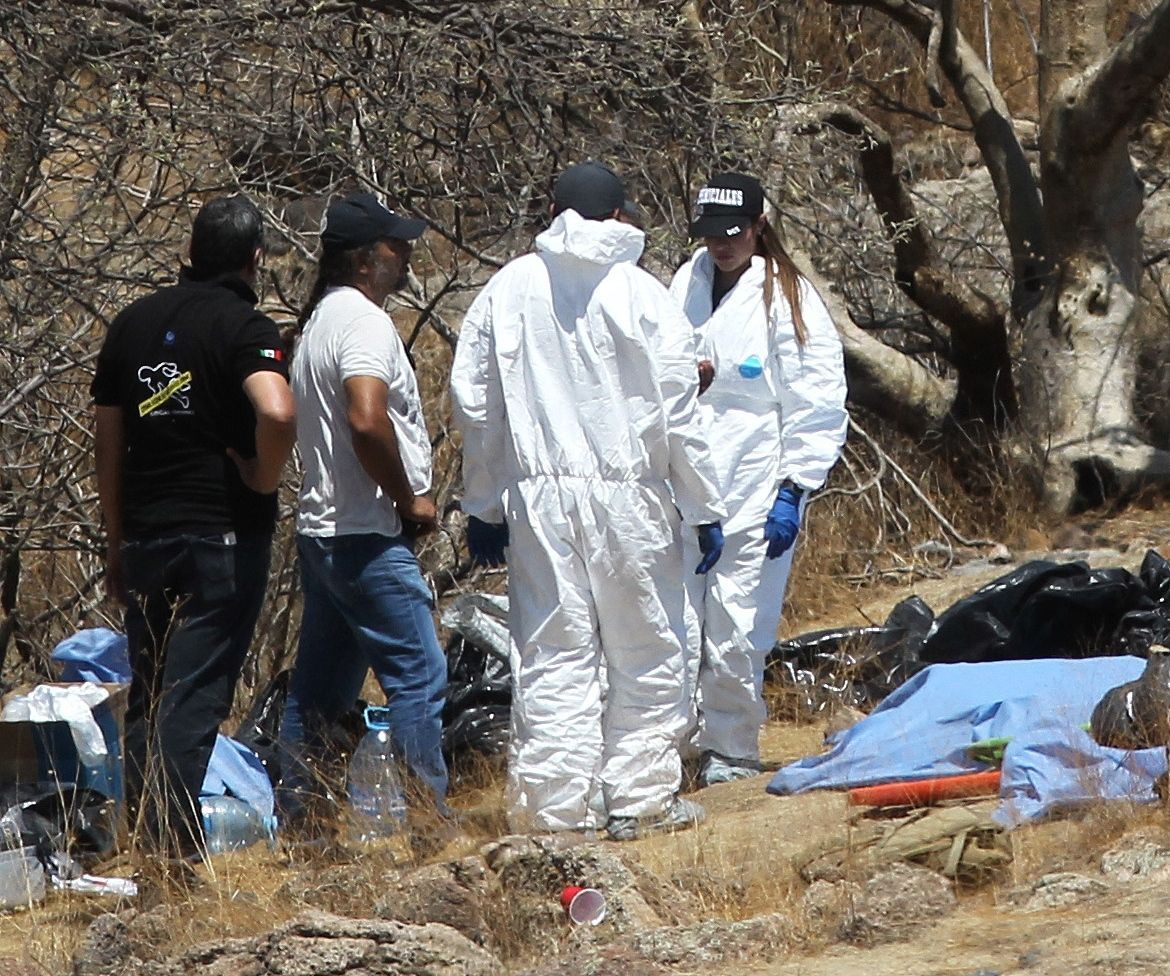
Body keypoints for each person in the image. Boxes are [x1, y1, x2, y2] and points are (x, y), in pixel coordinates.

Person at [451, 161, 725, 838]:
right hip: (630, 496)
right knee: (647, 648)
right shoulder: (639, 292)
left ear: (551, 208)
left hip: (538, 499)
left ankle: (554, 810)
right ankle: (639, 798)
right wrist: (702, 503)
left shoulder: (508, 287)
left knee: (552, 651)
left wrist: (484, 502)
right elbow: (677, 408)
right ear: (618, 216)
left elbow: (475, 405)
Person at [91, 195, 294, 863]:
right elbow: (277, 408)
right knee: (195, 698)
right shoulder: (244, 325)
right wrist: (263, 479)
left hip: (147, 535)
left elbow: (108, 440)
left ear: (191, 250)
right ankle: (174, 857)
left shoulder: (132, 324)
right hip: (221, 537)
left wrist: (116, 538)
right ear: (253, 258)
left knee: (150, 694)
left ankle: (142, 845)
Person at [669, 173, 849, 784]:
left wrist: (795, 488)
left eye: (734, 233)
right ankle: (678, 747)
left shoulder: (787, 297)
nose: (722, 246)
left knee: (738, 624)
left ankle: (732, 747)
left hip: (755, 478)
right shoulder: (684, 283)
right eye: (711, 235)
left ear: (759, 228)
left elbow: (816, 399)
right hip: (684, 479)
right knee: (677, 624)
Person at [279, 195, 447, 820]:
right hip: (367, 536)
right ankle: (429, 825)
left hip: (322, 533)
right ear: (363, 258)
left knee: (318, 694)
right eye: (394, 246)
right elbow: (367, 420)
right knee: (420, 679)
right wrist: (410, 500)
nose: (404, 256)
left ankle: (303, 825)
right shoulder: (364, 323)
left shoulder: (319, 319)